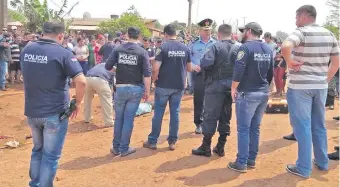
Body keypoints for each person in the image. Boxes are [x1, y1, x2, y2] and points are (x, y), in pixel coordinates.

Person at [21, 21, 86, 187]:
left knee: (37, 150)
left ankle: (34, 184)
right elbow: (81, 81)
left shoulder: (27, 49)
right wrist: (77, 103)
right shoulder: (62, 53)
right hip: (54, 113)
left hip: (32, 111)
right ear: (60, 35)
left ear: (43, 32)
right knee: (50, 156)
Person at [281, 5, 339, 178]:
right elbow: (336, 62)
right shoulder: (329, 34)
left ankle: (303, 168)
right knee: (319, 125)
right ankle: (322, 162)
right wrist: (325, 80)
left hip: (300, 88)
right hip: (320, 87)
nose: (296, 21)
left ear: (304, 16)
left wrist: (289, 60)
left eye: (297, 17)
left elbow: (285, 46)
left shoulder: (302, 32)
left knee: (302, 127)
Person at [228, 22, 274, 173]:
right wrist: (267, 89)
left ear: (248, 31)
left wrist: (233, 87)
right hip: (262, 93)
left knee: (243, 129)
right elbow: (270, 73)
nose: (241, 34)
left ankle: (241, 162)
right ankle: (251, 160)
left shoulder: (245, 48)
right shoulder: (268, 48)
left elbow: (239, 69)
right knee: (255, 128)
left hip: (248, 93)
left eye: (243, 31)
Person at [192, 24, 241, 157]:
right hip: (231, 87)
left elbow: (206, 63)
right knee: (226, 116)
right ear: (231, 34)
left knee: (210, 115)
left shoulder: (215, 46)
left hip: (215, 86)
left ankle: (206, 146)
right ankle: (220, 146)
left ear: (218, 35)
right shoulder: (239, 47)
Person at [143, 24, 192, 151]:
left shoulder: (162, 47)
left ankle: (153, 141)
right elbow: (189, 68)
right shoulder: (185, 48)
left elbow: (155, 68)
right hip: (179, 85)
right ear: (175, 33)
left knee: (159, 112)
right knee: (175, 113)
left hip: (164, 85)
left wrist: (154, 80)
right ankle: (172, 141)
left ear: (165, 34)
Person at [105, 26, 151, 157]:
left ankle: (116, 147)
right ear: (139, 36)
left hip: (120, 88)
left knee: (119, 118)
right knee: (128, 119)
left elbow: (108, 66)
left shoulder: (118, 49)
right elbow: (147, 74)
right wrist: (147, 91)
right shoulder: (142, 52)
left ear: (127, 35)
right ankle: (124, 148)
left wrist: (118, 70)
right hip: (136, 89)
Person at [189, 18, 216, 134]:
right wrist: (193, 66)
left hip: (211, 75)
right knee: (199, 100)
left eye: (209, 30)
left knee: (210, 100)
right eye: (205, 30)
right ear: (200, 31)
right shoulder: (193, 44)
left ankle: (208, 122)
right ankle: (198, 123)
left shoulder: (215, 43)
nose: (207, 32)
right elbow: (187, 58)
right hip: (199, 74)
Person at [84, 63, 114, 127]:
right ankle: (109, 122)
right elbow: (113, 85)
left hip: (87, 79)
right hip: (100, 79)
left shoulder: (100, 64)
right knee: (107, 100)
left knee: (87, 99)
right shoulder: (113, 68)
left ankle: (87, 118)